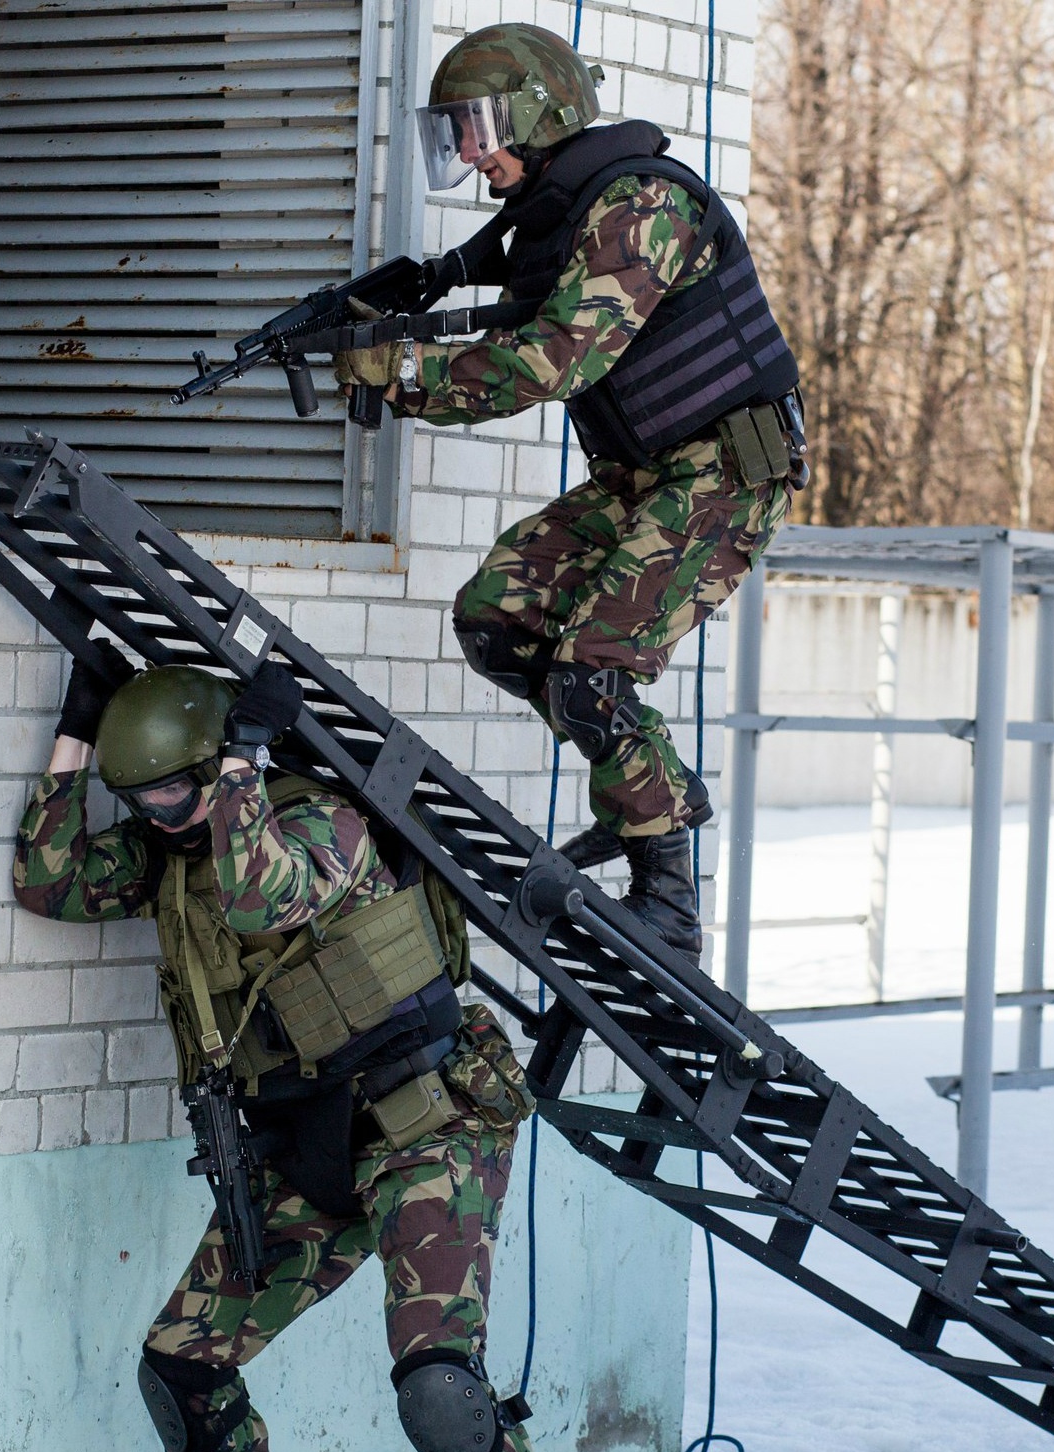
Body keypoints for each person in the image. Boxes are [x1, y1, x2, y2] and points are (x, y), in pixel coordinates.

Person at [12, 656, 565, 1452]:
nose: (160, 813)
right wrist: (75, 736)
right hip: (303, 1156)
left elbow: (264, 897)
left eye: (175, 787)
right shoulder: (173, 848)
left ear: (219, 760)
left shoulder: (321, 821)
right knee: (182, 1364)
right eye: (138, 798)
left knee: (437, 1384)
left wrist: (243, 766)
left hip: (426, 1126)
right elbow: (47, 882)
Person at [334, 22, 805, 959]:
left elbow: (556, 358)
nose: (471, 152)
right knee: (496, 616)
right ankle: (650, 795)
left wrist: (407, 372)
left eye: (480, 125)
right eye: (456, 131)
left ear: (539, 111)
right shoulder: (554, 212)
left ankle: (668, 903)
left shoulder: (639, 207)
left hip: (727, 473)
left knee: (592, 663)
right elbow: (512, 294)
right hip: (646, 477)